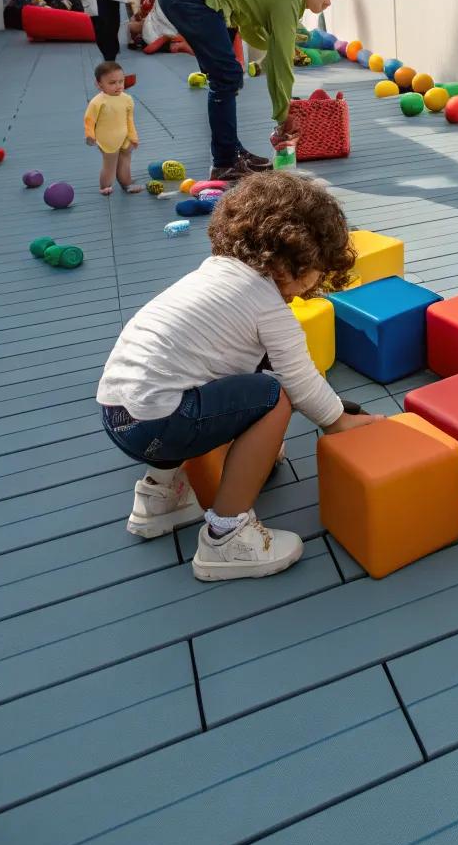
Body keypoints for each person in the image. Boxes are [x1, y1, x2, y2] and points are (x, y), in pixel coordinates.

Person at [96, 171, 379, 580]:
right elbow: (299, 384)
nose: (316, 280)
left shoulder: (212, 274)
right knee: (274, 395)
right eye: (317, 267)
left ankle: (160, 499)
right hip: (162, 421)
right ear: (297, 256)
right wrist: (339, 420)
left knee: (210, 384)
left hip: (118, 413)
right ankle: (226, 535)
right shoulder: (268, 307)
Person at [158, 0, 345, 181]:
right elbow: (281, 61)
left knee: (227, 76)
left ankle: (231, 153)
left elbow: (250, 28)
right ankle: (224, 162)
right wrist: (282, 114)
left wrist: (284, 37)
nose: (329, 3)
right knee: (226, 76)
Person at [84, 59, 142, 196]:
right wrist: (90, 135)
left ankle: (126, 183)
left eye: (121, 81)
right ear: (99, 84)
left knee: (126, 160)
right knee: (110, 163)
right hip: (107, 138)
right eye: (112, 83)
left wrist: (133, 137)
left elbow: (129, 119)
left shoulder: (127, 99)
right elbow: (89, 120)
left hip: (124, 135)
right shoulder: (97, 102)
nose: (118, 86)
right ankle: (105, 186)